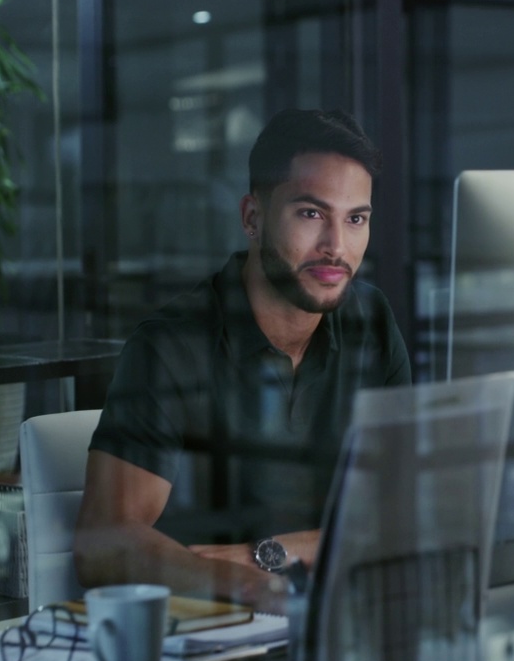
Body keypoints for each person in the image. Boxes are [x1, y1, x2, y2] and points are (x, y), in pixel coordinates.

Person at [73, 109, 411, 613]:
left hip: (339, 621)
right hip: (212, 634)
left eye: (355, 219)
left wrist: (269, 556)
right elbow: (103, 541)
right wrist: (248, 586)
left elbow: (411, 511)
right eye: (311, 213)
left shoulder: (372, 321)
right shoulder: (171, 346)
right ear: (253, 218)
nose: (336, 246)